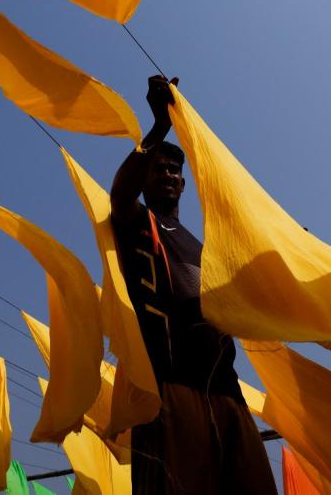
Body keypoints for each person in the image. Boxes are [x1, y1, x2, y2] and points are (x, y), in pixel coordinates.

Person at [110, 75, 278, 495]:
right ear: (145, 181)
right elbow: (119, 193)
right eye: (158, 168)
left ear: (183, 183)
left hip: (225, 390)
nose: (166, 173)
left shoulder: (204, 245)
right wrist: (159, 127)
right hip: (170, 387)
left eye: (173, 169)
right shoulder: (137, 223)